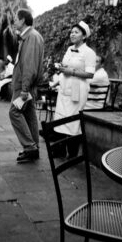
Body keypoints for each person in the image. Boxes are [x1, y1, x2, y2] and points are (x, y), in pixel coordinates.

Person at [52, 21, 96, 157]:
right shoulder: (69, 49)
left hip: (78, 90)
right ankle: (59, 151)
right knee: (60, 118)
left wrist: (71, 71)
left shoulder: (89, 53)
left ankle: (72, 153)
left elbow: (90, 73)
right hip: (64, 87)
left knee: (73, 121)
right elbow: (66, 66)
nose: (72, 34)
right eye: (71, 32)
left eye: (76, 32)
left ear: (84, 36)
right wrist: (61, 68)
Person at [9, 8, 44, 163]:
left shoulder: (31, 37)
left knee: (14, 113)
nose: (14, 21)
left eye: (16, 19)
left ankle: (30, 147)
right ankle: (33, 147)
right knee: (29, 115)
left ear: (23, 20)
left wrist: (24, 88)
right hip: (26, 85)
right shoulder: (29, 37)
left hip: (25, 86)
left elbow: (29, 65)